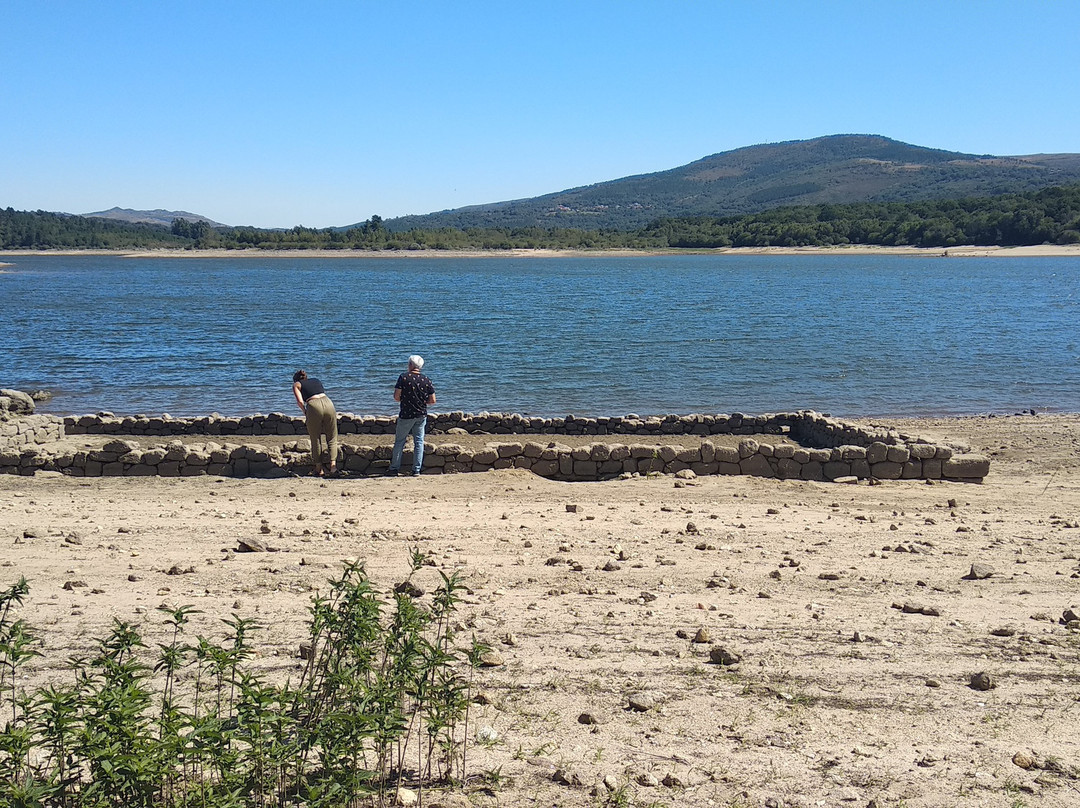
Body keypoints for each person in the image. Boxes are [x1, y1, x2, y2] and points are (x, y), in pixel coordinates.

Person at [387, 354, 436, 477]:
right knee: (419, 441)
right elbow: (432, 400)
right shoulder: (426, 380)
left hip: (406, 414)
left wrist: (404, 399)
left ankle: (394, 468)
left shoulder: (403, 377)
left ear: (410, 365)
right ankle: (416, 469)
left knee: (400, 441)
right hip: (421, 414)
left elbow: (396, 396)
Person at [292, 369, 338, 477]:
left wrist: (305, 412)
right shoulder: (316, 380)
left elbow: (299, 401)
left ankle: (319, 469)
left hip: (313, 405)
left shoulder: (296, 384)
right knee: (332, 437)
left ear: (295, 379)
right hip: (328, 403)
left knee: (315, 438)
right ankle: (333, 467)